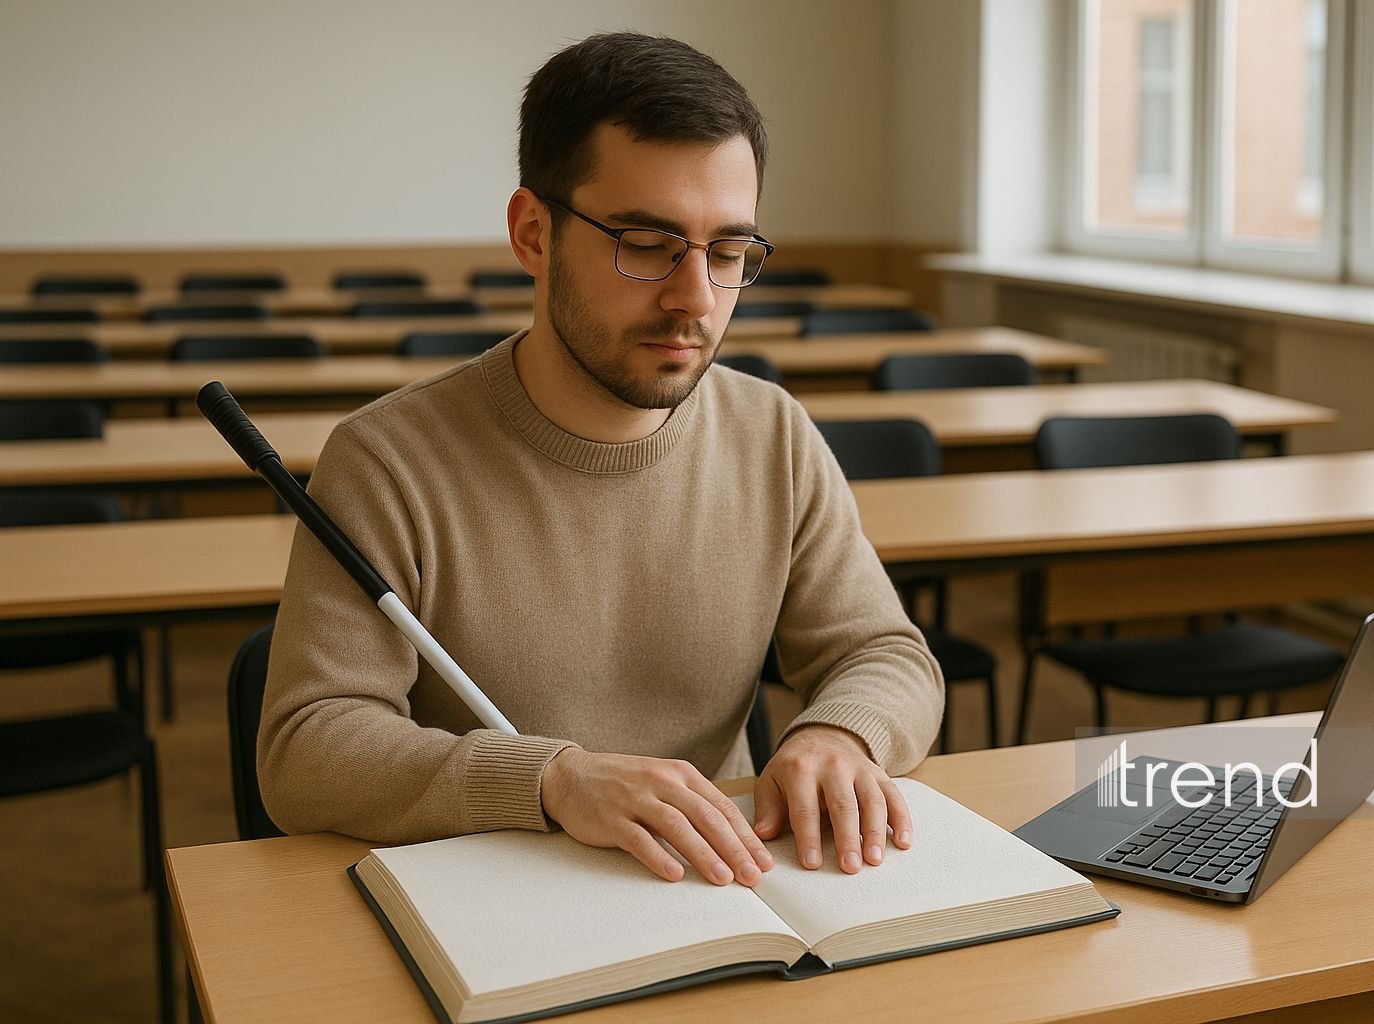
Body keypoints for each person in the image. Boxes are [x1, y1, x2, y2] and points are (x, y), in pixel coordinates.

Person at [259, 32, 943, 888]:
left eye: (728, 254)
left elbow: (886, 652)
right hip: (499, 899)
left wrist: (839, 734)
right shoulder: (388, 461)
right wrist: (550, 780)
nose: (695, 298)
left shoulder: (773, 434)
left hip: (721, 890)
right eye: (648, 245)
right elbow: (306, 744)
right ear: (534, 233)